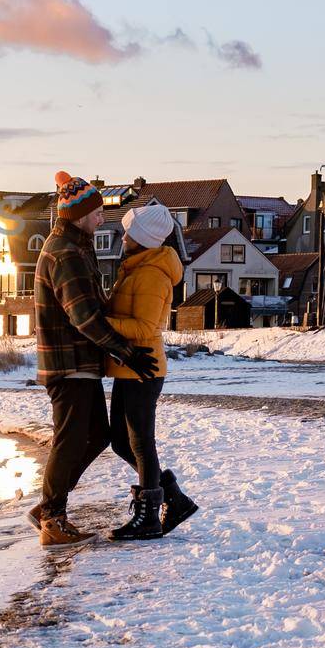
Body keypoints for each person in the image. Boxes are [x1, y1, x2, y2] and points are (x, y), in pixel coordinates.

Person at [31, 171, 159, 546]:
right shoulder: (66, 252)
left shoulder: (76, 245)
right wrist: (125, 349)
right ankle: (51, 517)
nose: (103, 219)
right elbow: (84, 316)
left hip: (79, 363)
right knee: (69, 440)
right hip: (68, 363)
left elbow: (92, 308)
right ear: (80, 214)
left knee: (97, 436)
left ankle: (48, 508)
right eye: (98, 213)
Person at [103, 203, 199, 541]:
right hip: (129, 366)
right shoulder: (136, 268)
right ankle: (173, 497)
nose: (123, 237)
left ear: (141, 240)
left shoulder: (151, 274)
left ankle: (148, 516)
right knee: (121, 442)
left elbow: (146, 326)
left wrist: (100, 322)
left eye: (129, 233)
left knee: (141, 443)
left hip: (143, 367)